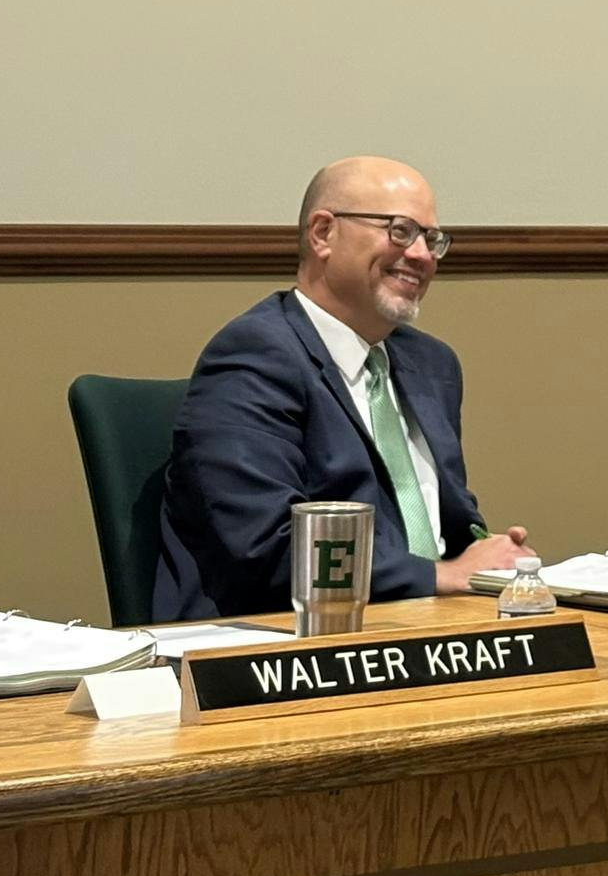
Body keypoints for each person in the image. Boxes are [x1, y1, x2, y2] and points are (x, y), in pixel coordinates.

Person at [155, 156, 531, 620]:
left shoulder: (432, 364)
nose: (422, 255)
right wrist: (439, 576)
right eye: (400, 231)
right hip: (288, 635)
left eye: (432, 239)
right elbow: (265, 547)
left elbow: (447, 526)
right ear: (323, 234)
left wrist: (493, 556)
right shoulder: (254, 356)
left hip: (431, 623)